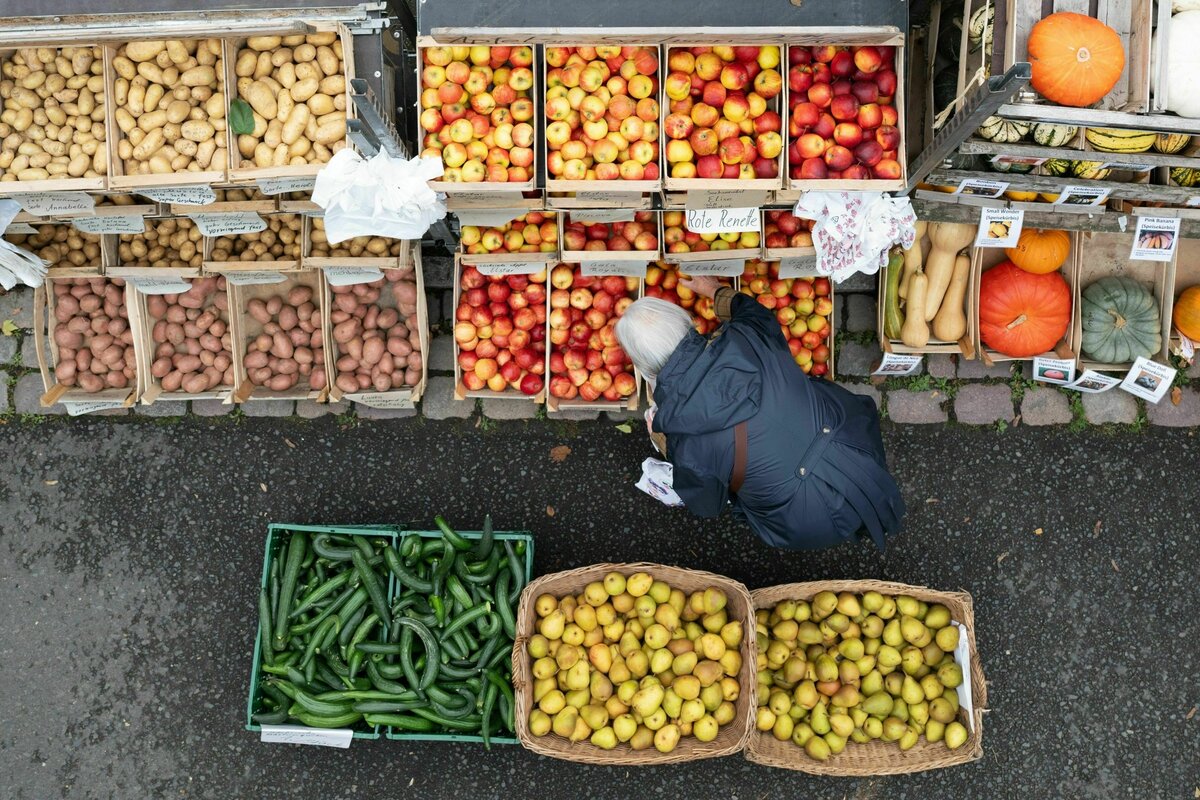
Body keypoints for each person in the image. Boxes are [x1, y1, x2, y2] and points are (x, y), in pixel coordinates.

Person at [615, 276, 904, 550]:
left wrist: (665, 443)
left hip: (805, 519)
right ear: (687, 323)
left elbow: (707, 504)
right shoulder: (747, 334)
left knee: (738, 485)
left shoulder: (686, 442)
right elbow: (752, 311)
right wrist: (715, 290)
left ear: (645, 369)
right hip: (856, 445)